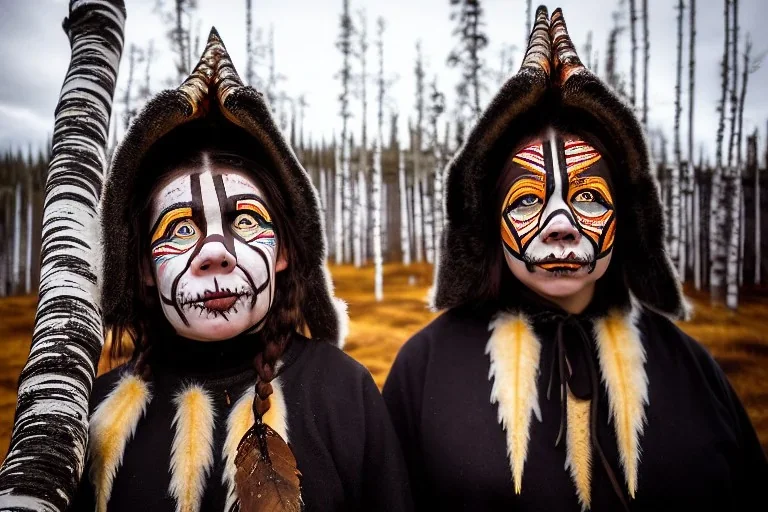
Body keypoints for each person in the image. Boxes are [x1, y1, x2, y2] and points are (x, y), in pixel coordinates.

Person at [382, 7, 767, 512]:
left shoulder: (691, 368)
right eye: (525, 200)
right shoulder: (423, 371)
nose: (560, 224)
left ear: (625, 217)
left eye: (587, 197)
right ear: (488, 224)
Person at [71, 28, 413, 512]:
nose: (216, 253)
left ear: (282, 254)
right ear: (144, 267)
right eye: (180, 229)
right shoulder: (88, 418)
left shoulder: (343, 392)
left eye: (245, 221)